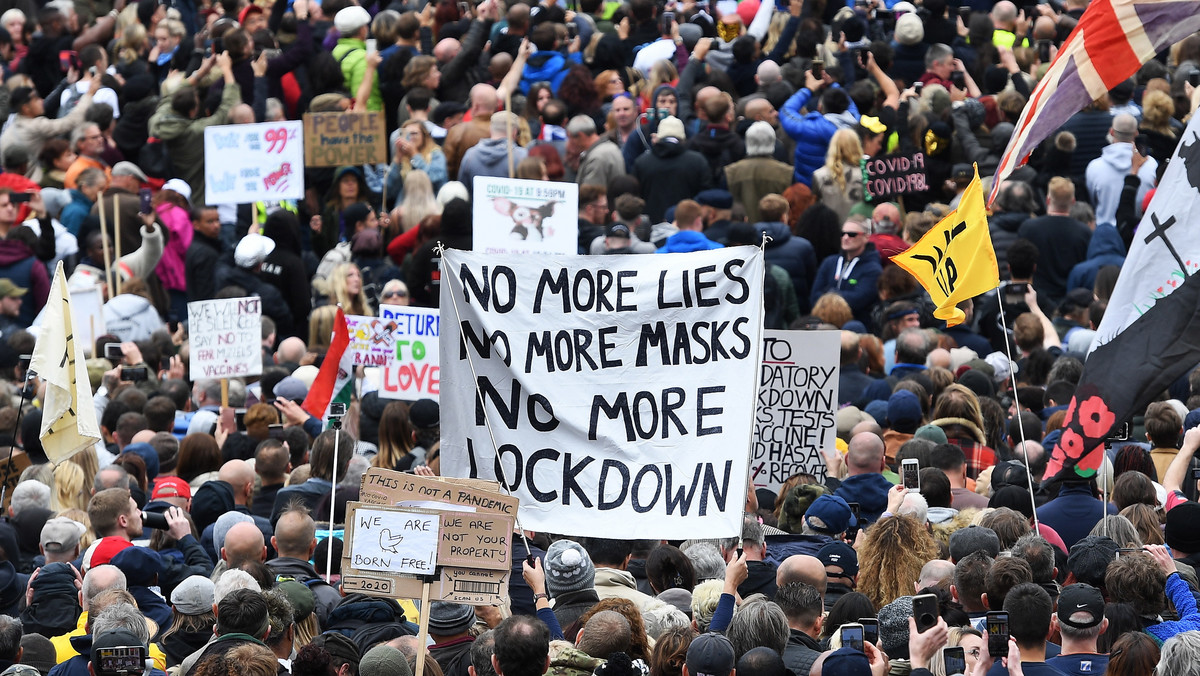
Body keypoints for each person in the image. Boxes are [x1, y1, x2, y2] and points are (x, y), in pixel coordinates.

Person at [810, 218, 882, 327]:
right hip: (823, 325)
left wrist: (829, 293)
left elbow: (858, 299)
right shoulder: (829, 262)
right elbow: (814, 296)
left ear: (866, 237)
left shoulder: (873, 269)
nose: (845, 238)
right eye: (842, 234)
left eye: (852, 234)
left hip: (856, 326)